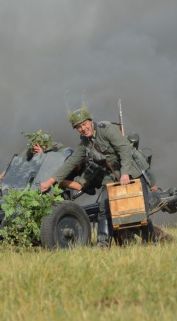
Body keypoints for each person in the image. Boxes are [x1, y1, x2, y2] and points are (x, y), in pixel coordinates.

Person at [39, 106, 139, 248]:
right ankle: (103, 243)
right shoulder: (86, 142)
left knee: (136, 210)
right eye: (79, 127)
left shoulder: (107, 130)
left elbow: (124, 149)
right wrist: (50, 182)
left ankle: (153, 238)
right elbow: (71, 162)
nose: (83, 129)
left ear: (90, 121)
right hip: (110, 177)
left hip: (129, 172)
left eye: (84, 124)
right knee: (105, 208)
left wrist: (125, 173)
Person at [0, 129, 64, 183]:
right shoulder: (31, 150)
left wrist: (42, 155)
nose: (35, 148)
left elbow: (60, 166)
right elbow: (16, 163)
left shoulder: (57, 148)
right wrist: (1, 175)